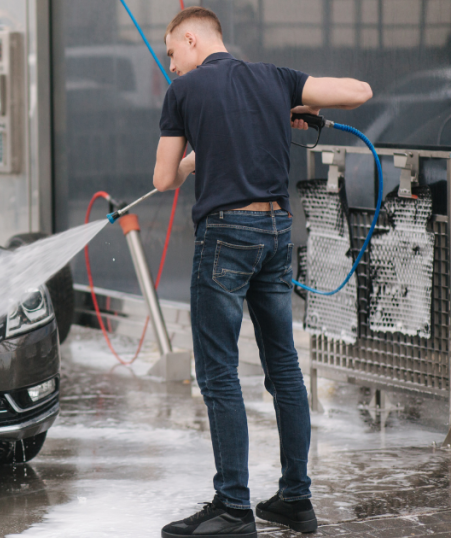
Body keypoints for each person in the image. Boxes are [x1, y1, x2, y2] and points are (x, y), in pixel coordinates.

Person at [151, 7, 372, 538]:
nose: (172, 66)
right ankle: (296, 499)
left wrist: (192, 159)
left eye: (171, 53)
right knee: (285, 369)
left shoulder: (183, 93)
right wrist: (289, 103)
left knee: (220, 374)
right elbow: (360, 92)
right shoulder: (276, 78)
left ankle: (232, 508)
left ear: (191, 37)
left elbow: (162, 179)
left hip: (226, 237)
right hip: (276, 235)